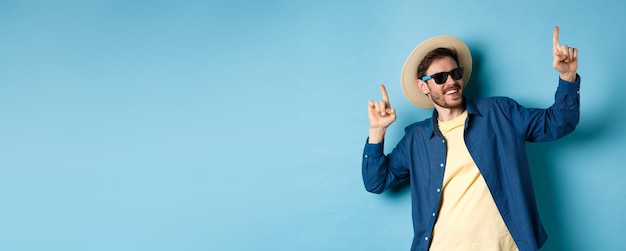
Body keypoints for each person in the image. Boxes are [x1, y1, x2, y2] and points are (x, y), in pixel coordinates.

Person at [362, 26, 580, 251]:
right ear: (423, 86)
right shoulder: (416, 138)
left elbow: (559, 123)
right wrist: (377, 132)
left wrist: (567, 76)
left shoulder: (499, 113)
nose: (451, 82)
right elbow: (376, 182)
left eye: (456, 73)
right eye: (439, 77)